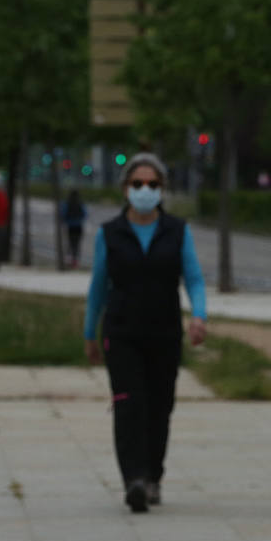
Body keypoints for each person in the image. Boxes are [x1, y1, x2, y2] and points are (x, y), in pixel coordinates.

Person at [83, 153, 208, 513]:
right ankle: (133, 479)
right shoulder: (110, 233)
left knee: (158, 406)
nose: (144, 190)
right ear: (125, 188)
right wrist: (89, 333)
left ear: (162, 189)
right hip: (121, 332)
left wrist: (198, 316)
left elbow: (195, 279)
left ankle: (153, 475)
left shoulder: (177, 231)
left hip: (164, 332)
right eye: (137, 184)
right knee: (128, 405)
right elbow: (97, 287)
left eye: (152, 184)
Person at [61, 189, 88, 268]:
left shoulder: (67, 203)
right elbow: (85, 214)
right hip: (79, 226)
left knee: (70, 243)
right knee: (77, 244)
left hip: (70, 226)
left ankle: (69, 260)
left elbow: (63, 214)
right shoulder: (80, 203)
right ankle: (75, 261)